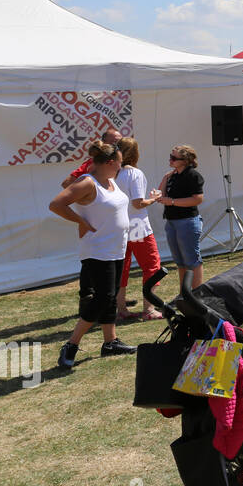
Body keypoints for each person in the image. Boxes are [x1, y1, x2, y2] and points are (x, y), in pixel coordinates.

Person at [49, 141, 137, 370]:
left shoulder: (110, 181)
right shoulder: (88, 182)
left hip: (116, 248)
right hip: (98, 251)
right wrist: (81, 221)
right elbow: (56, 204)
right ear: (110, 162)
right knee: (102, 298)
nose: (121, 165)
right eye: (119, 162)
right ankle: (71, 344)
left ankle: (110, 342)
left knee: (110, 296)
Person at [114, 137, 164, 321]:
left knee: (122, 268)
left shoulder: (113, 173)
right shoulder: (134, 173)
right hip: (137, 226)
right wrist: (153, 199)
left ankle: (121, 309)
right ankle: (149, 309)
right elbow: (138, 203)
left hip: (119, 226)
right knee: (152, 266)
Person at [157, 144, 205, 291]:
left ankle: (197, 294)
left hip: (187, 221)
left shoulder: (193, 175)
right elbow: (160, 195)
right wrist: (165, 178)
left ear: (184, 160)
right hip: (172, 221)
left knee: (192, 260)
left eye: (174, 158)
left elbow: (197, 199)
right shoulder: (173, 175)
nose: (170, 160)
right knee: (180, 262)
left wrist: (172, 202)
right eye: (170, 157)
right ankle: (184, 293)